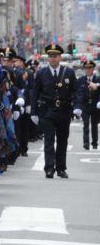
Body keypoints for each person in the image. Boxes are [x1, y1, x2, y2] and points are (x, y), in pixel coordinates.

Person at [32, 44, 81, 178]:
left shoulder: (69, 72)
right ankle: (49, 168)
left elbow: (76, 91)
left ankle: (60, 168)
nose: (53, 59)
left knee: (62, 141)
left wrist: (77, 106)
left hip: (64, 111)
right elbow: (35, 93)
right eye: (50, 56)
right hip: (47, 111)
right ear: (48, 58)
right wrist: (33, 112)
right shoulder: (41, 73)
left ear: (60, 58)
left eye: (55, 56)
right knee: (48, 140)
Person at [75, 60, 100, 150]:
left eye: (90, 68)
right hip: (85, 105)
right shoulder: (80, 80)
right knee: (85, 125)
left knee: (94, 125)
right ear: (84, 69)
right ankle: (86, 143)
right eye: (86, 68)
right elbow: (77, 93)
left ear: (93, 69)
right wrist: (77, 106)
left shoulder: (98, 79)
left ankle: (94, 143)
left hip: (95, 105)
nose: (88, 70)